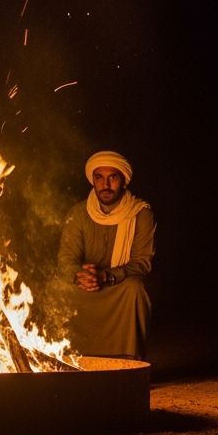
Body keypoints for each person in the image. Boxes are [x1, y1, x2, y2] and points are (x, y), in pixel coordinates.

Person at [56, 150, 155, 359]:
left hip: (120, 286)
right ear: (93, 180)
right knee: (55, 287)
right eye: (99, 178)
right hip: (86, 286)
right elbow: (66, 260)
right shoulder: (78, 213)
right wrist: (81, 275)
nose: (106, 184)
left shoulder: (140, 213)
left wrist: (106, 276)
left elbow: (142, 263)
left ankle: (127, 363)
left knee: (135, 288)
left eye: (113, 177)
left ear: (124, 181)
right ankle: (66, 361)